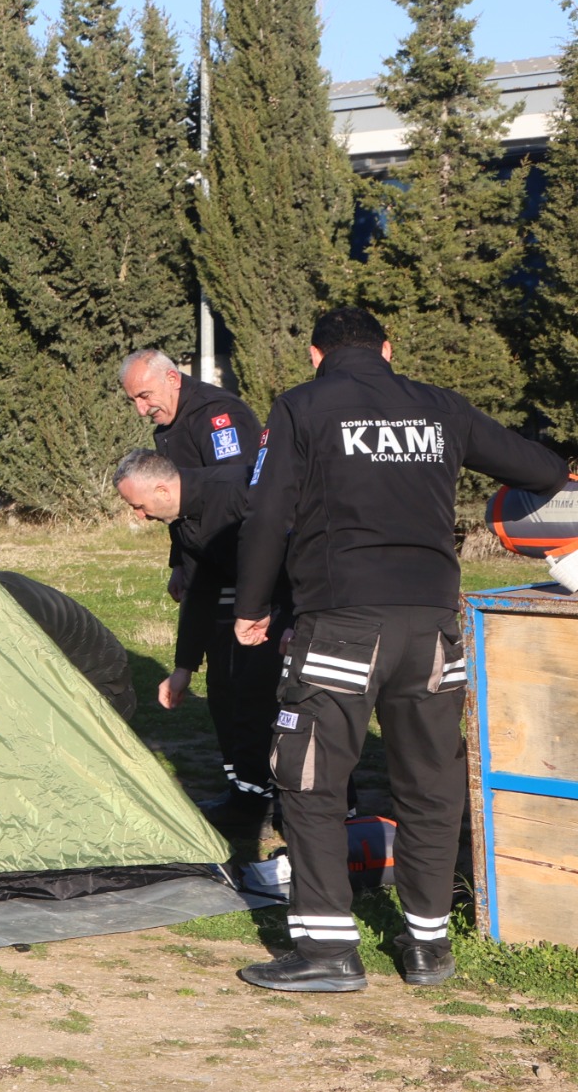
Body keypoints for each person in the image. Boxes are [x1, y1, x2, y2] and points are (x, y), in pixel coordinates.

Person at [232, 306, 569, 993]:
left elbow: (267, 513)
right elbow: (543, 468)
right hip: (433, 627)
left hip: (342, 621)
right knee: (431, 783)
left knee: (312, 779)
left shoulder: (302, 406)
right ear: (387, 350)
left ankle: (327, 949)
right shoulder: (442, 407)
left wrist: (252, 608)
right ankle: (428, 946)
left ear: (315, 356)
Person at [119, 349, 262, 789]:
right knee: (222, 682)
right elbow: (180, 509)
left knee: (246, 680)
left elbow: (239, 497)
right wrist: (180, 561)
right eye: (133, 401)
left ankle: (262, 784)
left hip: (248, 565)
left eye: (145, 396)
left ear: (172, 379)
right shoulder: (169, 425)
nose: (142, 409)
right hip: (206, 559)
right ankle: (242, 784)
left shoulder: (219, 417)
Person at [111, 446, 277, 803]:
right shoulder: (181, 521)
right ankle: (246, 792)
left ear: (162, 490)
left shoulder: (237, 491)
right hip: (247, 604)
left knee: (261, 694)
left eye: (138, 506)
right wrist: (183, 668)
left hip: (291, 598)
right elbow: (200, 589)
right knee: (225, 689)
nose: (140, 516)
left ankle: (295, 797)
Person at [0, 569, 135, 720]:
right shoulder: (2, 584)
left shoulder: (16, 611)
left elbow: (21, 675)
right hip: (100, 680)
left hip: (102, 694)